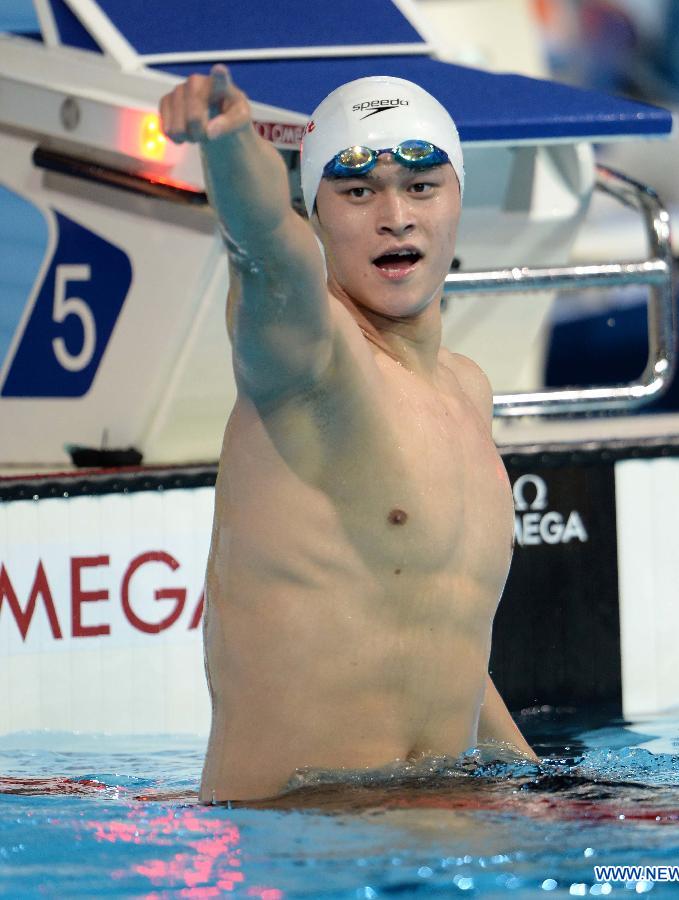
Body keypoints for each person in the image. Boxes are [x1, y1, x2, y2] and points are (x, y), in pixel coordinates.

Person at [158, 64, 538, 804]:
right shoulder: (308, 363)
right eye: (358, 191)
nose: (395, 215)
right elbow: (267, 248)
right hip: (308, 839)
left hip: (438, 818)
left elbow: (439, 630)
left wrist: (547, 788)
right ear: (317, 210)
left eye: (422, 185)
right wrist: (229, 144)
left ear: (459, 196)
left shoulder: (466, 391)